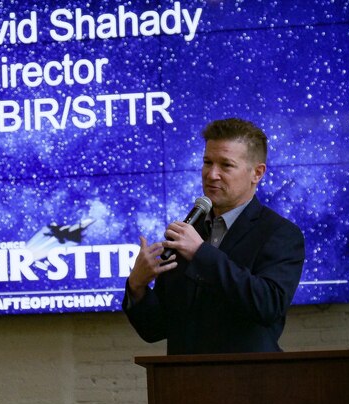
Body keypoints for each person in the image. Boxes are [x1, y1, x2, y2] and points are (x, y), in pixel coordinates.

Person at [123, 118, 305, 354]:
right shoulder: (187, 232)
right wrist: (137, 286)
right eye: (207, 162)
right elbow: (155, 329)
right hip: (184, 375)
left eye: (226, 165)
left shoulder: (280, 233)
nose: (211, 174)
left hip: (248, 374)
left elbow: (268, 305)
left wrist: (201, 254)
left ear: (257, 173)